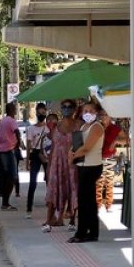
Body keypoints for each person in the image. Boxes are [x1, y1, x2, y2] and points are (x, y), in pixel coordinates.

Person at [68, 100, 106, 243]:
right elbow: (76, 144)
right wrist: (70, 154)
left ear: (96, 112)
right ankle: (89, 231)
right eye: (85, 111)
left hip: (92, 166)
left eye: (91, 111)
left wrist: (73, 157)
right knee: (86, 200)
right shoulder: (84, 126)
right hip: (82, 165)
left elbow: (86, 148)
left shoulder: (97, 127)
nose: (87, 113)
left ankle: (84, 232)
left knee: (86, 201)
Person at [44, 100, 79, 232]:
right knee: (53, 190)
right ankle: (49, 220)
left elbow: (79, 147)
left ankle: (72, 220)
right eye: (64, 107)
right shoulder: (56, 126)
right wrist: (49, 167)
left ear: (74, 109)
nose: (66, 109)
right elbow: (53, 147)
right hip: (56, 163)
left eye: (69, 107)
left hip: (71, 163)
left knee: (72, 190)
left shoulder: (78, 126)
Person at [23, 103, 50, 218]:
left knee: (49, 181)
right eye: (39, 113)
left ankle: (51, 206)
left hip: (46, 155)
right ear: (36, 113)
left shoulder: (49, 128)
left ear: (46, 113)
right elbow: (29, 146)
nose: (41, 115)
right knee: (33, 182)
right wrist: (27, 161)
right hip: (35, 154)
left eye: (43, 113)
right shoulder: (31, 129)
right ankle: (29, 209)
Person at [0, 102, 22, 211]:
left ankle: (4, 201)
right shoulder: (11, 121)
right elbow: (17, 132)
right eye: (14, 109)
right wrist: (18, 143)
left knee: (5, 176)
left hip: (0, 151)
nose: (15, 110)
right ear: (11, 110)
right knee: (12, 176)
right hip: (8, 151)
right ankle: (5, 203)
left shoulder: (2, 121)